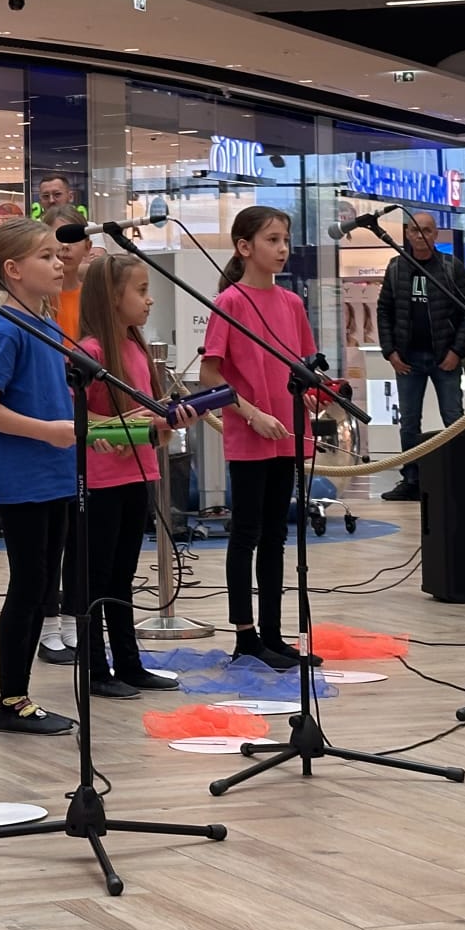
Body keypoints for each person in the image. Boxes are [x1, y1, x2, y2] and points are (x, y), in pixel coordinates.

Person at [0, 216, 79, 735]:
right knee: (28, 588)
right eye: (46, 257)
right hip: (25, 479)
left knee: (42, 587)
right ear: (12, 270)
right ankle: (11, 700)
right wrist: (46, 431)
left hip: (55, 475)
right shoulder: (7, 329)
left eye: (59, 255)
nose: (59, 263)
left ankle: (20, 697)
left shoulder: (48, 325)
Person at [198, 206, 323, 672]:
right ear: (244, 247)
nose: (282, 248)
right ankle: (245, 634)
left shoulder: (291, 303)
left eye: (285, 239)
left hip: (287, 431)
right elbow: (210, 376)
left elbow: (303, 367)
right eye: (272, 239)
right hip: (251, 436)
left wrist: (313, 398)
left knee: (276, 535)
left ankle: (272, 631)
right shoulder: (230, 302)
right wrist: (251, 414)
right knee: (246, 533)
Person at [74, 253, 187, 699]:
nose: (149, 300)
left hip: (138, 475)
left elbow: (146, 419)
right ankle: (94, 667)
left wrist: (170, 418)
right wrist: (124, 424)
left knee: (122, 574)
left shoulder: (135, 347)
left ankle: (128, 662)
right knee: (97, 577)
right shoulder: (91, 352)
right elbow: (76, 418)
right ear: (111, 296)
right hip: (101, 481)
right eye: (140, 291)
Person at [375, 211, 465, 502]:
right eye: (415, 231)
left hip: (445, 357)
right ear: (407, 234)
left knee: (453, 418)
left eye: (427, 230)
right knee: (408, 422)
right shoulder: (396, 267)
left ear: (436, 234)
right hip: (408, 359)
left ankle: (459, 475)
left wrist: (457, 351)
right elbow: (384, 311)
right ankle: (412, 479)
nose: (421, 236)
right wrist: (390, 351)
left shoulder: (450, 267)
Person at [35, 203, 92, 665]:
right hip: (51, 425)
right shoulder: (40, 304)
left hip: (89, 423)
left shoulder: (92, 298)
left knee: (81, 532)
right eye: (55, 244)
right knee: (48, 538)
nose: (64, 252)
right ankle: (47, 623)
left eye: (73, 240)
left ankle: (75, 618)